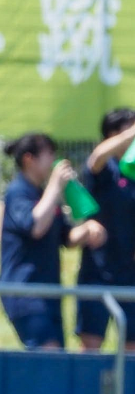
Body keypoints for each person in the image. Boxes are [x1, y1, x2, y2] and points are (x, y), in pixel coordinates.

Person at [0, 134, 105, 350]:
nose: (54, 161)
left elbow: (67, 238)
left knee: (57, 360)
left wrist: (87, 229)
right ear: (29, 159)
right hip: (25, 293)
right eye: (49, 154)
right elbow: (35, 227)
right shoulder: (18, 192)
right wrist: (55, 185)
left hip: (49, 295)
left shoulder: (44, 195)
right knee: (49, 357)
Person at [76, 110, 135, 350]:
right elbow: (96, 158)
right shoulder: (104, 168)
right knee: (91, 347)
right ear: (113, 134)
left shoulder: (132, 170)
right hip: (97, 271)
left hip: (129, 274)